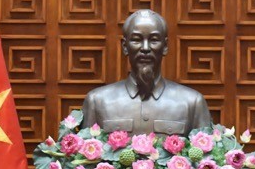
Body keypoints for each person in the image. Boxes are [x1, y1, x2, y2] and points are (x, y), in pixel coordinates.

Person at [81, 9, 212, 136]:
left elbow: (207, 156)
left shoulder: (192, 102)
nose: (145, 48)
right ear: (125, 46)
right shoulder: (97, 101)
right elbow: (83, 154)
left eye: (154, 40)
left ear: (165, 46)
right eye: (137, 40)